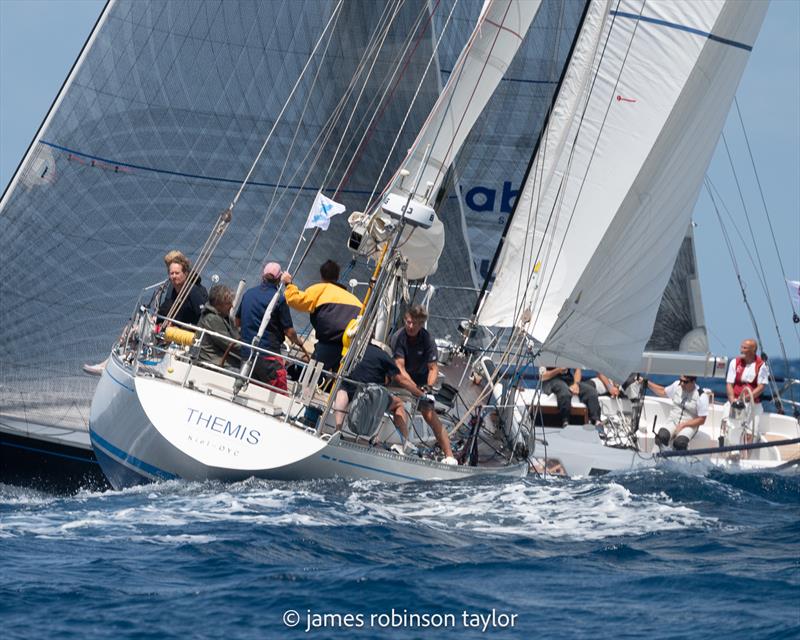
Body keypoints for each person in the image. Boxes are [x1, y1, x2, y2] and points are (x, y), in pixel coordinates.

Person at [333, 341, 458, 465]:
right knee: (398, 404)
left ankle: (337, 430)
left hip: (350, 386)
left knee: (343, 390)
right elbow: (400, 380)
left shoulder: (358, 349)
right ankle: (404, 443)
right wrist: (421, 394)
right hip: (369, 393)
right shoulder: (386, 358)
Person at [390, 305, 455, 460]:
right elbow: (400, 367)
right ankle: (404, 443)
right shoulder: (398, 337)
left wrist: (429, 388)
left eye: (415, 324)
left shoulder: (427, 340)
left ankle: (450, 456)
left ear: (421, 324)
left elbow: (433, 368)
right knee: (401, 403)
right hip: (402, 380)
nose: (410, 326)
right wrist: (414, 389)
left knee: (429, 414)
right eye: (408, 322)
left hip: (421, 383)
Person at [237, 262, 309, 391]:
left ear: (262, 275)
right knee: (280, 394)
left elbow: (237, 322)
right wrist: (297, 341)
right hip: (268, 358)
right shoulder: (279, 299)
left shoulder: (248, 294)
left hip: (246, 354)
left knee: (250, 391)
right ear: (279, 279)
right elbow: (289, 331)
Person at [280, 260, 361, 372]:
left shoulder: (319, 290)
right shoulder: (355, 300)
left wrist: (288, 284)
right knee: (337, 381)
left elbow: (295, 300)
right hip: (348, 349)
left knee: (313, 378)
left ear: (322, 275)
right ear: (337, 277)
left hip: (327, 345)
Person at [647, 375, 708, 450]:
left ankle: (678, 460)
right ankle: (659, 458)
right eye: (680, 380)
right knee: (661, 436)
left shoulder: (701, 396)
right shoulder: (676, 385)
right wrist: (647, 383)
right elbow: (663, 391)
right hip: (673, 421)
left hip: (689, 425)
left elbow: (702, 419)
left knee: (680, 443)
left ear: (693, 382)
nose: (682, 384)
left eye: (685, 382)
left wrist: (684, 425)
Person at [157, 251, 208, 326]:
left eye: (177, 273)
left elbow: (203, 317)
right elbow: (165, 309)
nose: (174, 276)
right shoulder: (172, 291)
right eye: (172, 273)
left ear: (185, 273)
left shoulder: (194, 291)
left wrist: (182, 328)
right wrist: (157, 320)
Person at [196, 284, 240, 367]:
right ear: (218, 304)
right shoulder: (212, 319)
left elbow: (235, 335)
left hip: (219, 357)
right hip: (211, 361)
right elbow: (228, 343)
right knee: (247, 376)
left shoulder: (223, 316)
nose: (232, 306)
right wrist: (251, 350)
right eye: (228, 303)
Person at [726, 338, 770, 415]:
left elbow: (761, 387)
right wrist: (733, 401)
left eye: (744, 348)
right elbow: (729, 384)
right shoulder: (734, 362)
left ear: (753, 351)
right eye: (741, 347)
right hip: (734, 401)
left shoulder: (761, 365)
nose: (741, 350)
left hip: (753, 405)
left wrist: (745, 399)